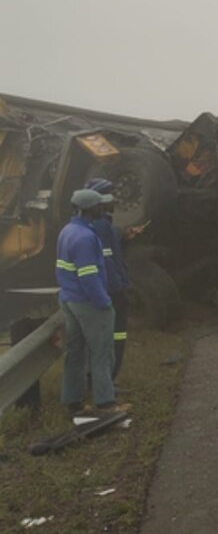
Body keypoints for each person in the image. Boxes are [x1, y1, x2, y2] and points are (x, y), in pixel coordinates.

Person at [56, 188, 126, 416]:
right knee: (102, 353)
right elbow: (88, 276)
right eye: (99, 206)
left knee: (75, 352)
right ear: (89, 209)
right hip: (88, 302)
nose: (103, 208)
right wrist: (103, 302)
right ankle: (106, 404)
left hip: (69, 300)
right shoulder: (85, 237)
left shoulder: (68, 230)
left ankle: (73, 402)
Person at [84, 178, 131, 380]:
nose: (114, 198)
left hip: (109, 289)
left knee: (114, 337)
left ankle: (107, 378)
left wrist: (122, 234)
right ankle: (106, 380)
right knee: (111, 338)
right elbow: (107, 260)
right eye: (109, 194)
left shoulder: (102, 224)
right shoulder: (100, 225)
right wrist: (120, 287)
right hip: (111, 291)